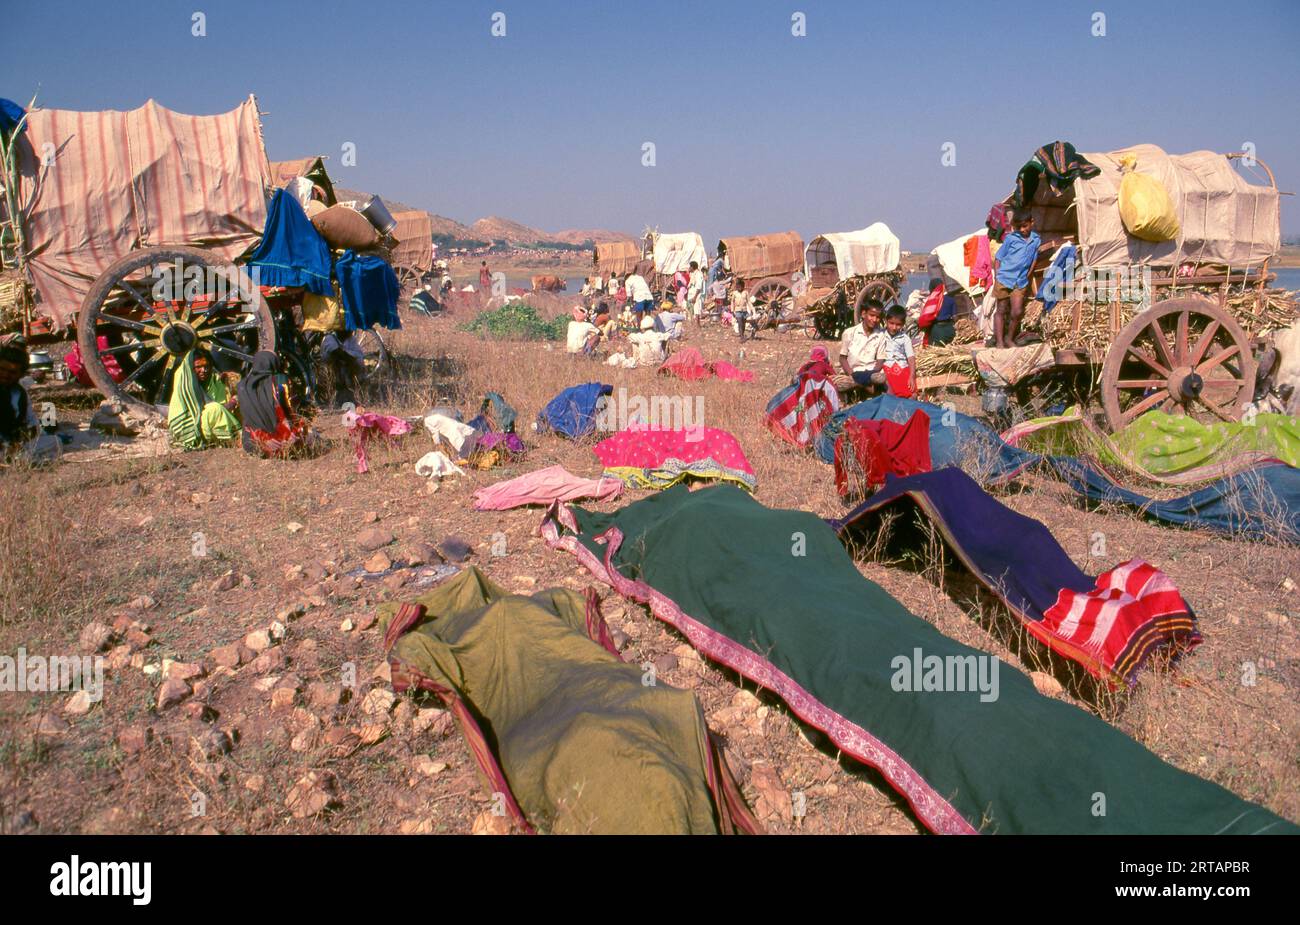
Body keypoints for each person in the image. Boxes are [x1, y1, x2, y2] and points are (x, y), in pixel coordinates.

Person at [236, 351, 314, 458]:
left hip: (253, 444)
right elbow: (292, 411)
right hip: (285, 443)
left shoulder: (242, 386)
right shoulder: (280, 381)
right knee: (310, 432)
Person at [166, 349, 240, 450]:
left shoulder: (213, 381)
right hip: (189, 430)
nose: (203, 370)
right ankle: (238, 439)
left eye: (206, 366)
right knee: (214, 409)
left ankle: (230, 439)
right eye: (198, 367)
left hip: (204, 423)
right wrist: (233, 402)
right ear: (190, 368)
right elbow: (216, 409)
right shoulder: (186, 380)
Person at [992, 210, 1041, 347]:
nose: (1022, 229)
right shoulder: (1011, 239)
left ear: (1032, 223)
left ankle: (1009, 338)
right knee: (1001, 309)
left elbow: (1034, 260)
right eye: (1019, 227)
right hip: (1004, 278)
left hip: (1020, 281)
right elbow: (998, 258)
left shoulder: (1036, 240)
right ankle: (1000, 342)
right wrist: (997, 276)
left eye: (1025, 226)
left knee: (1017, 311)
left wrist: (1027, 274)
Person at [834, 299, 887, 392]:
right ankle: (866, 387)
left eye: (878, 317)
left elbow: (880, 361)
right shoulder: (849, 333)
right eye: (871, 315)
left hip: (871, 374)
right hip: (853, 373)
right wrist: (852, 374)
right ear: (863, 314)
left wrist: (872, 373)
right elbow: (842, 358)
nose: (874, 319)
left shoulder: (881, 336)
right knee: (839, 384)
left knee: (881, 378)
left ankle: (862, 386)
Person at [0, 344, 38, 454]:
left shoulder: (19, 393)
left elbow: (32, 422)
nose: (5, 375)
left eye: (12, 372)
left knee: (55, 442)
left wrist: (24, 436)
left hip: (12, 445)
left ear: (21, 375)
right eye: (2, 369)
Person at [880, 304, 917, 397]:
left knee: (912, 392)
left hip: (902, 367)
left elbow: (910, 357)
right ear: (886, 321)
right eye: (891, 323)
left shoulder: (905, 338)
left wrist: (912, 376)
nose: (894, 327)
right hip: (886, 367)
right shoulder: (881, 335)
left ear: (903, 324)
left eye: (898, 324)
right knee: (889, 389)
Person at [917, 278, 958, 346]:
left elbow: (925, 319)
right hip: (950, 330)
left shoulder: (932, 302)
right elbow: (955, 317)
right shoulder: (951, 300)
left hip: (937, 331)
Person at [687, 260, 706, 326]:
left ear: (693, 267)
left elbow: (699, 286)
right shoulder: (693, 274)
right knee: (691, 309)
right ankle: (692, 323)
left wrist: (695, 297)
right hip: (691, 294)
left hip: (696, 294)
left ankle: (698, 324)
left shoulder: (698, 274)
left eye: (690, 267)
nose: (689, 268)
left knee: (697, 308)